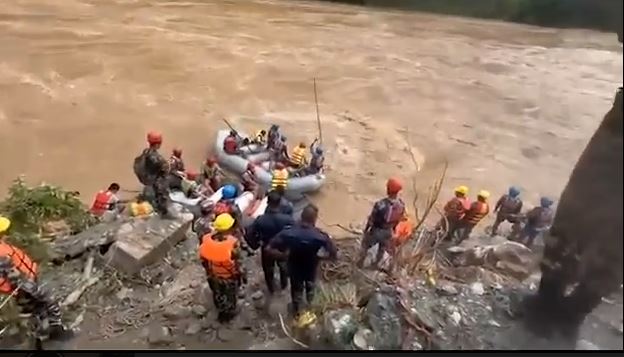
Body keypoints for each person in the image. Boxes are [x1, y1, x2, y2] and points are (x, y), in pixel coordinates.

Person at [0, 216, 73, 346]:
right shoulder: (2, 256)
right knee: (49, 300)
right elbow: (16, 279)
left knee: (38, 308)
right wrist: (37, 291)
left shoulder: (2, 248)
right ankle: (56, 330)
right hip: (22, 288)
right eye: (4, 231)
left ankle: (39, 332)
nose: (7, 234)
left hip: (23, 284)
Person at [266, 204, 337, 316]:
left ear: (301, 217)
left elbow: (268, 248)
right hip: (311, 268)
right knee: (310, 286)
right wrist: (321, 258)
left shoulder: (289, 233)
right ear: (314, 219)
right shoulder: (320, 236)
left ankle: (296, 309)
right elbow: (333, 255)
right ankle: (310, 306)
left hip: (294, 268)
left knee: (295, 289)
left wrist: (282, 256)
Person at [245, 191, 295, 296]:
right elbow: (293, 234)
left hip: (267, 248)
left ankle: (271, 288)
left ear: (267, 202)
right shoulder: (288, 220)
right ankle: (284, 285)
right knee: (283, 267)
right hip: (282, 248)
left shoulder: (260, 220)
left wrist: (255, 244)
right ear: (280, 203)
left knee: (268, 269)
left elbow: (251, 233)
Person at [199, 213, 246, 323]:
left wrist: (209, 272)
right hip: (228, 277)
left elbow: (203, 260)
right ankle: (229, 314)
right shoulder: (232, 244)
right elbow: (238, 262)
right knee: (230, 296)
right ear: (229, 228)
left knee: (217, 293)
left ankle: (220, 310)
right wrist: (243, 275)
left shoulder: (206, 239)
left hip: (213, 275)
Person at [356, 178, 406, 269]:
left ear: (388, 189)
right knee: (382, 249)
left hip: (377, 230)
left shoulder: (380, 204)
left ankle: (360, 263)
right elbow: (398, 220)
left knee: (366, 245)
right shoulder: (401, 205)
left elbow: (371, 220)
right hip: (389, 231)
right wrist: (393, 230)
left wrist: (366, 231)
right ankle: (375, 265)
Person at [141, 131, 171, 217]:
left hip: (149, 178)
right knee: (163, 197)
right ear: (158, 143)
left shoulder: (146, 151)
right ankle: (163, 213)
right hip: (157, 181)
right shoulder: (157, 157)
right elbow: (166, 169)